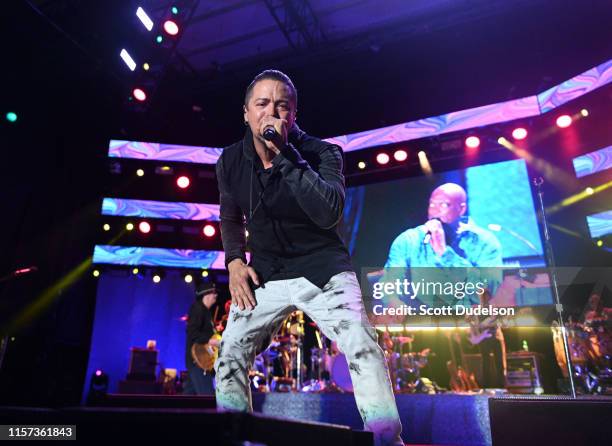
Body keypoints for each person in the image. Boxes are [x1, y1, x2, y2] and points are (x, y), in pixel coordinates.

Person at [214, 69, 403, 446]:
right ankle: (235, 438)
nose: (272, 113)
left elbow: (327, 212)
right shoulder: (230, 160)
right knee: (229, 353)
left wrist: (286, 154)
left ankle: (386, 440)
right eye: (262, 104)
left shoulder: (322, 153)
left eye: (282, 106)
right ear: (246, 113)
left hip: (323, 268)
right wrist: (234, 259)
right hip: (265, 273)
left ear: (294, 115)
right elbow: (230, 214)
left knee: (362, 345)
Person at [183, 282, 219, 395]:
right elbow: (192, 332)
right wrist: (210, 340)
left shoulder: (206, 311)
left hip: (200, 360)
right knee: (207, 397)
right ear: (207, 295)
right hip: (198, 361)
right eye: (214, 293)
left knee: (190, 397)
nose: (216, 295)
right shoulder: (198, 309)